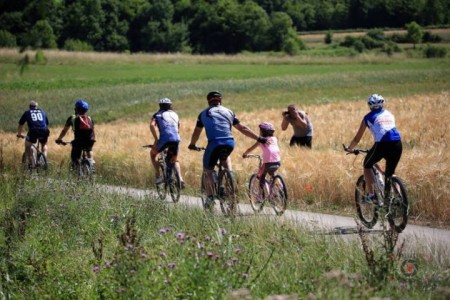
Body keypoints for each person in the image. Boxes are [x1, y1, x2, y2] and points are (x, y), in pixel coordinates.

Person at [188, 91, 267, 208]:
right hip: (229, 142)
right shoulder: (229, 111)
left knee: (208, 170)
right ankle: (230, 177)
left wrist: (192, 144)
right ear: (221, 101)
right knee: (226, 156)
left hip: (214, 143)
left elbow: (196, 132)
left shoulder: (203, 114)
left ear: (208, 101)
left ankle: (210, 198)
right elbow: (242, 128)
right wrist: (259, 138)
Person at [345, 94, 402, 203]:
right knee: (390, 173)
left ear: (369, 106)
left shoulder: (367, 117)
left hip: (382, 144)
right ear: (382, 103)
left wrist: (350, 148)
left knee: (367, 165)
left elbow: (357, 138)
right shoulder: (389, 114)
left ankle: (372, 196)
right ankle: (399, 198)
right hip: (397, 143)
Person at [150, 97, 184, 187]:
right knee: (174, 159)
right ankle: (180, 178)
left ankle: (158, 176)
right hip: (176, 139)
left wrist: (156, 139)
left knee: (153, 154)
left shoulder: (157, 115)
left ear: (160, 106)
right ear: (170, 106)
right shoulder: (175, 114)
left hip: (164, 140)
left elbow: (152, 125)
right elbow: (178, 125)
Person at [242, 122, 281, 198]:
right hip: (277, 161)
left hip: (268, 162)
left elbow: (250, 149)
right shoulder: (274, 139)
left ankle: (260, 195)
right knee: (273, 174)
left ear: (262, 132)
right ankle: (280, 187)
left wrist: (245, 154)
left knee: (261, 176)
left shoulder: (261, 140)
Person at [55, 99, 96, 170]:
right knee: (89, 150)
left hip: (78, 141)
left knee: (75, 158)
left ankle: (77, 172)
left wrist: (59, 139)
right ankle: (91, 163)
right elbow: (93, 131)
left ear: (76, 109)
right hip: (90, 140)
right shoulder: (89, 118)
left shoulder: (72, 118)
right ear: (86, 110)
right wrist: (92, 140)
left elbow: (64, 131)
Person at [17, 100, 50, 168]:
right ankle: (44, 162)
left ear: (30, 107)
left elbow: (20, 124)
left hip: (33, 130)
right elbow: (46, 124)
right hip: (44, 130)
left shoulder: (27, 112)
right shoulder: (42, 111)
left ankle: (32, 164)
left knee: (28, 146)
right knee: (44, 145)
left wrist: (19, 134)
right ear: (36, 107)